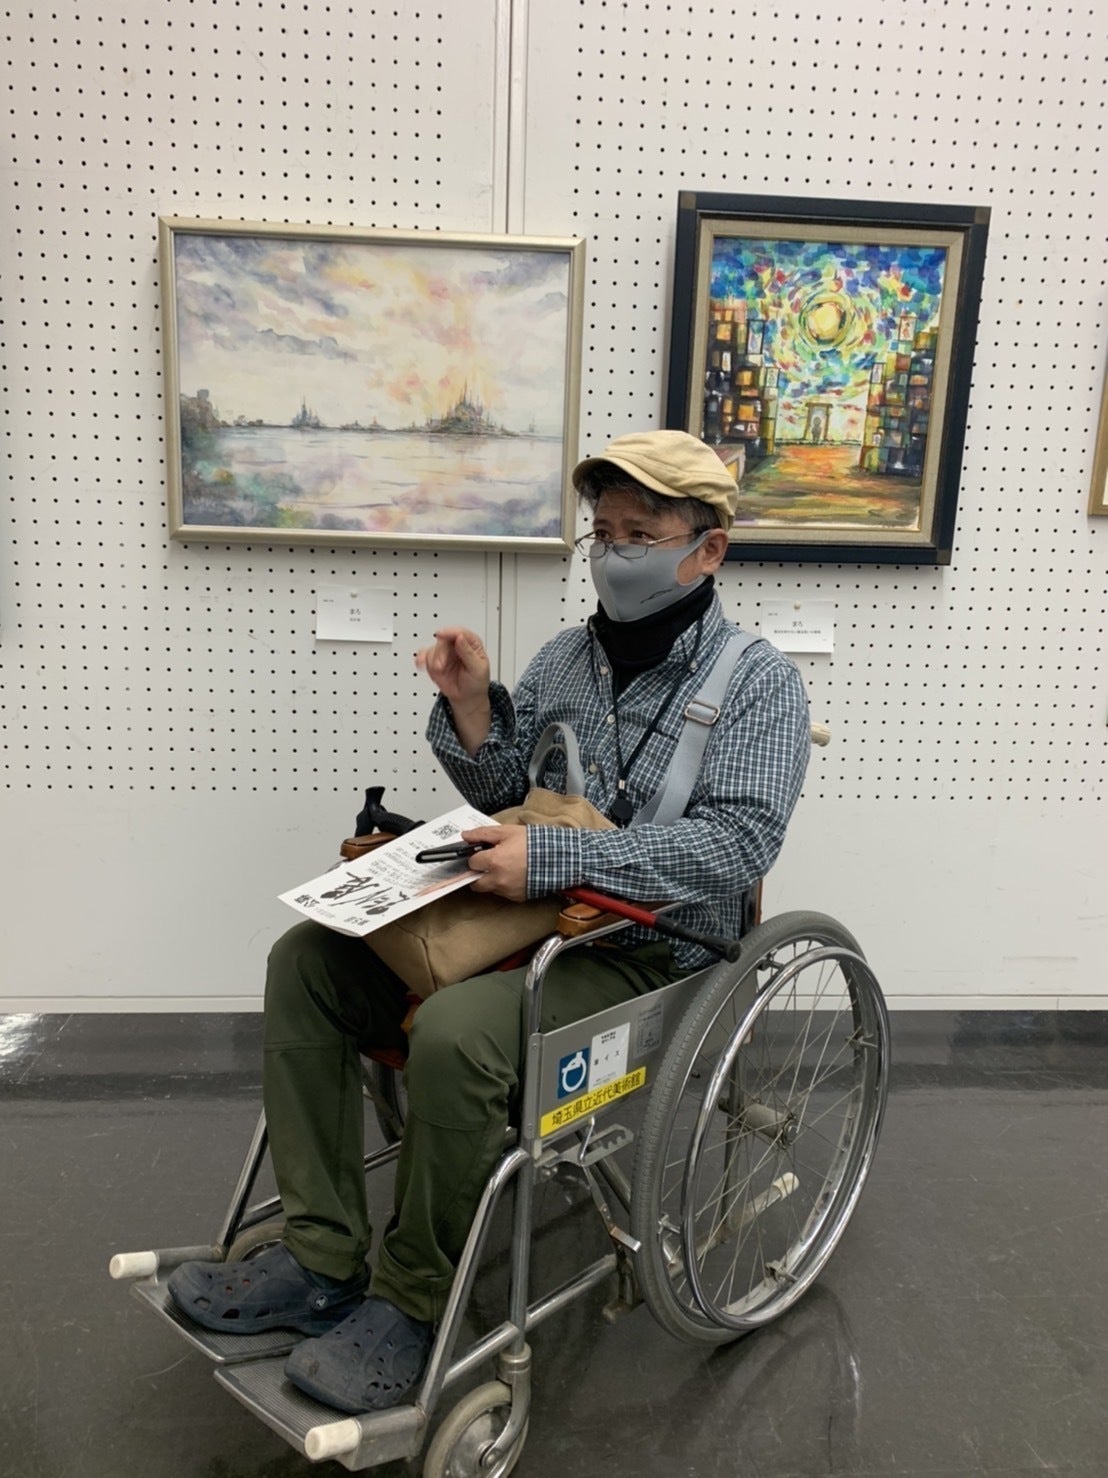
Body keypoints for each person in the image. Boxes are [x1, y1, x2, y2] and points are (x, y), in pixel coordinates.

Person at [166, 429, 811, 1414]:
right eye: (603, 533)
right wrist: (471, 706)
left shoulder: (759, 684)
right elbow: (508, 784)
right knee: (306, 960)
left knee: (461, 1032)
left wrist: (554, 861)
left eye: (641, 536)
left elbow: (735, 847)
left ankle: (414, 1302)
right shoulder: (566, 658)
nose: (614, 555)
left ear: (708, 548)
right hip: (531, 920)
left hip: (653, 949)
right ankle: (321, 1257)